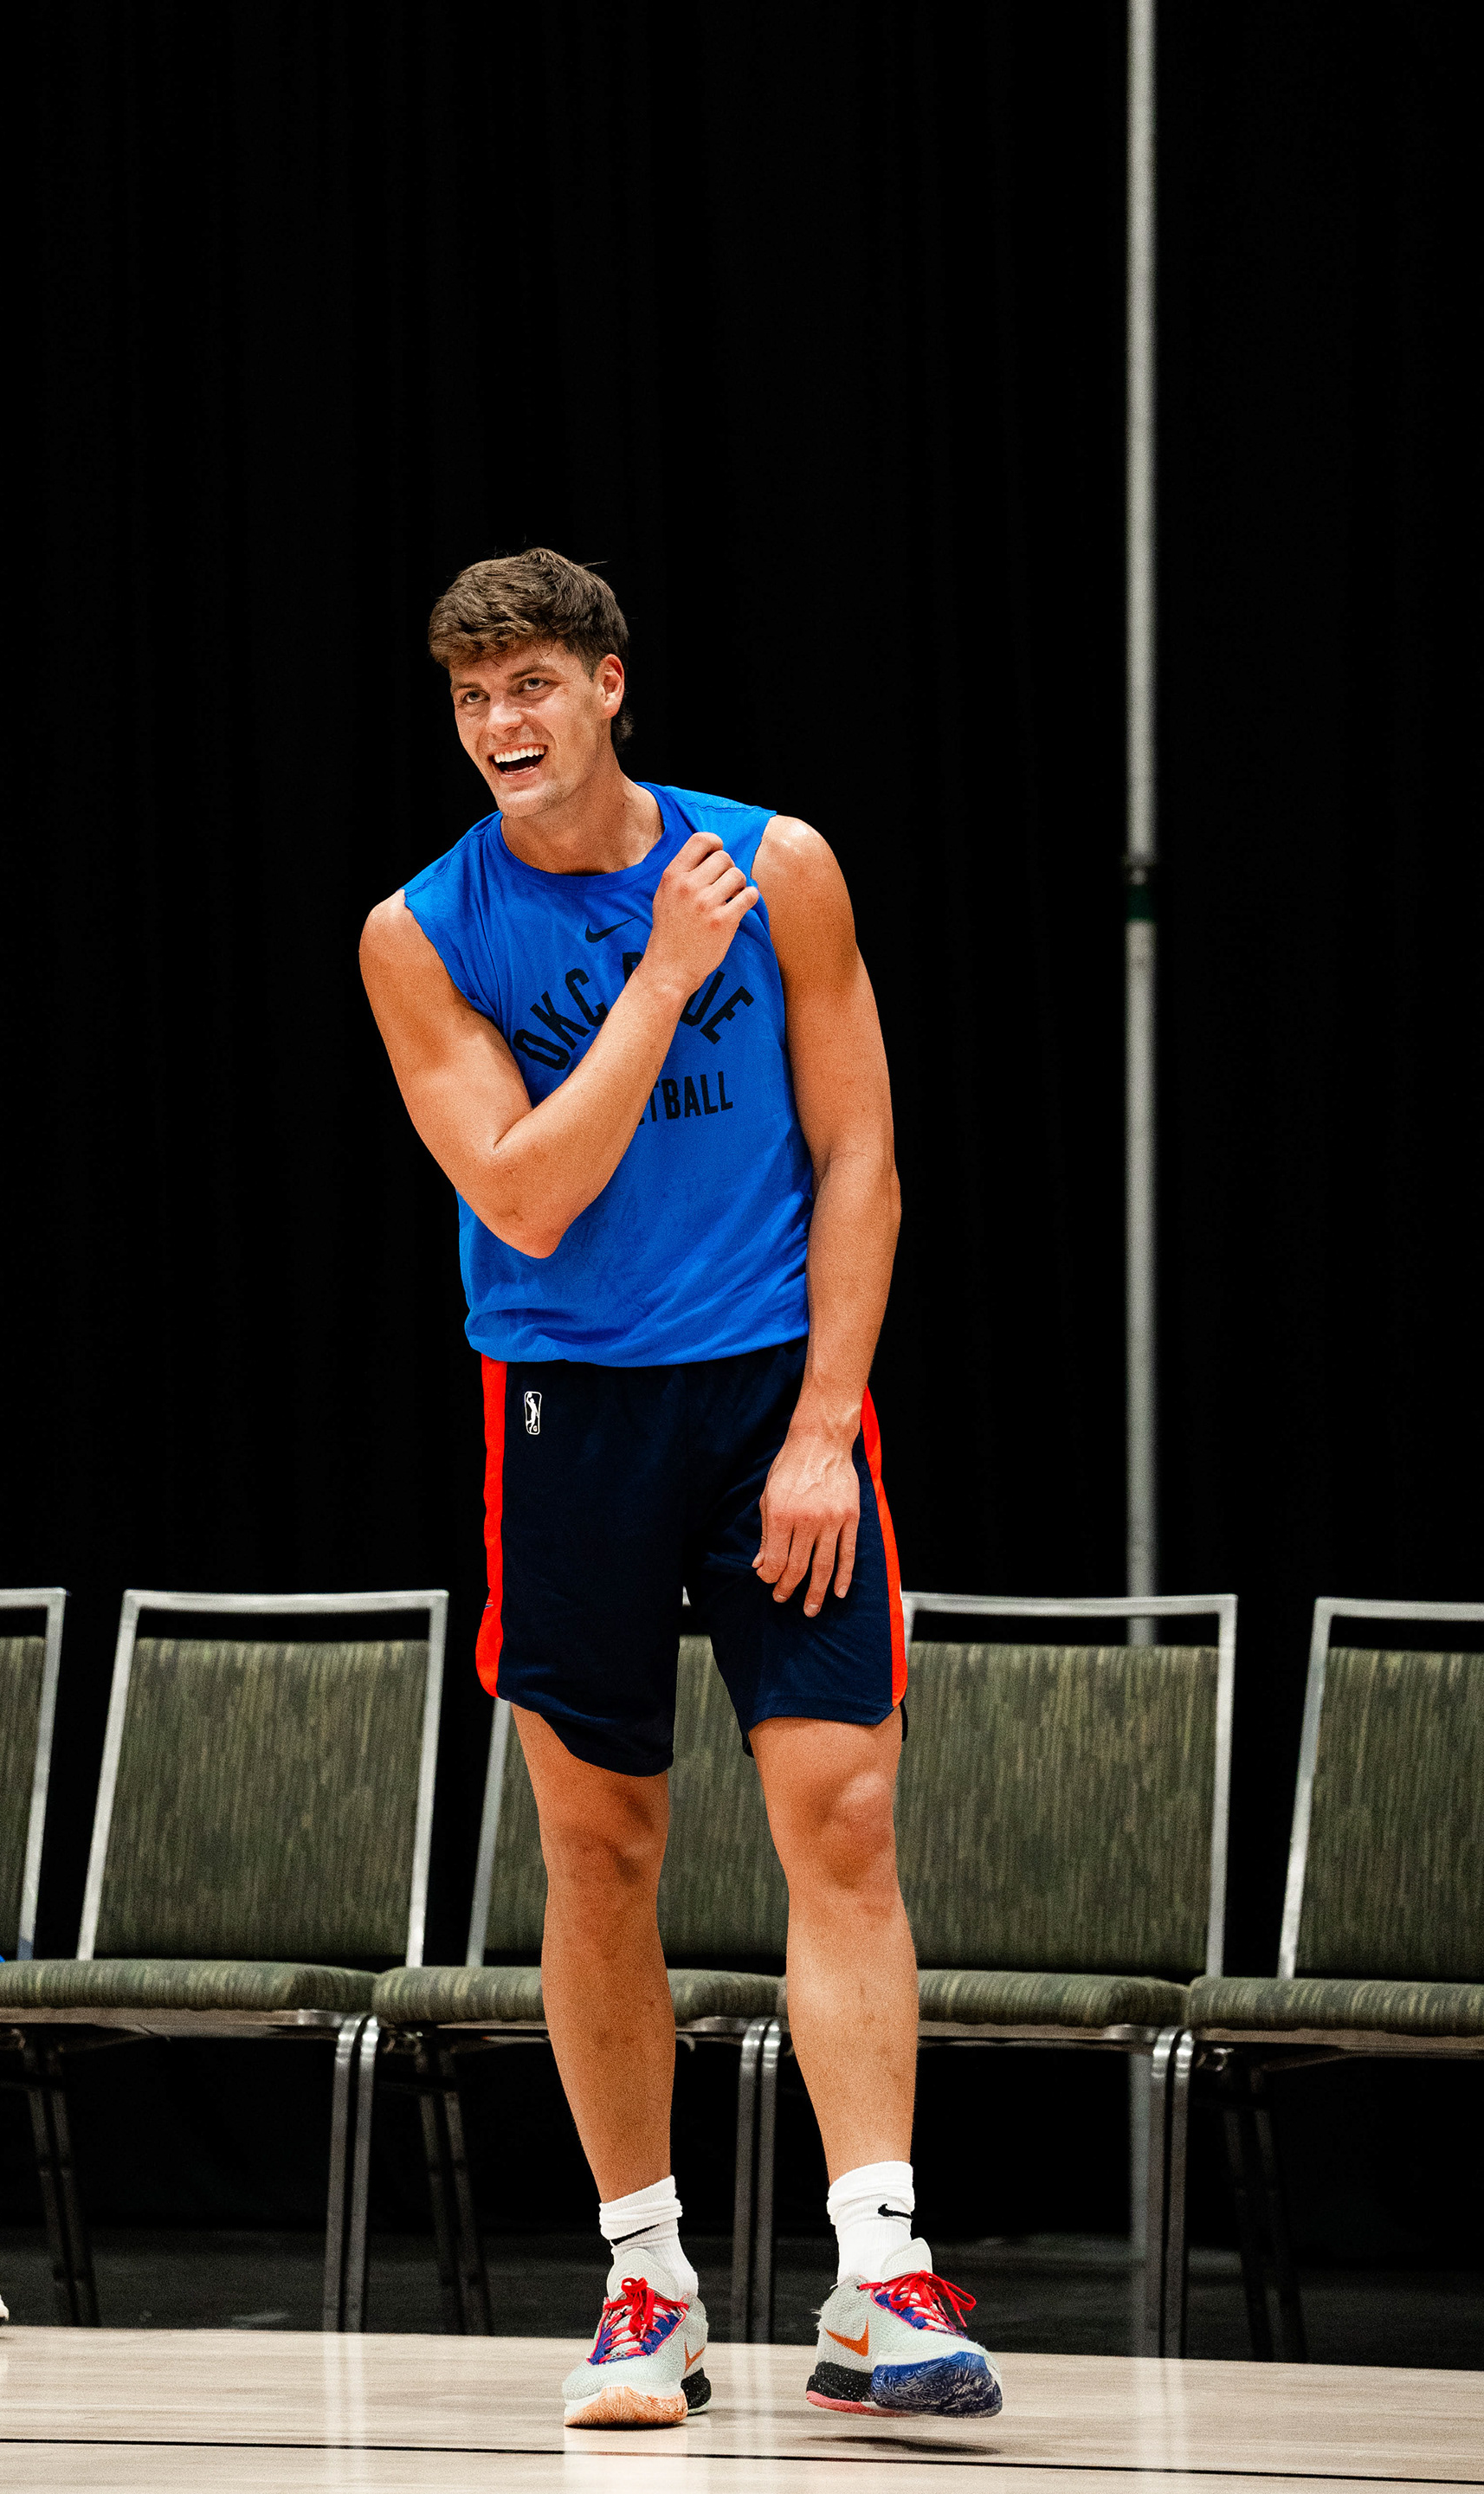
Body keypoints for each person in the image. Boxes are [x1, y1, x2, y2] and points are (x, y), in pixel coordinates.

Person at [359, 546, 1000, 2428]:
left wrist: (824, 1426)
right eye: (473, 697)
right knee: (601, 1848)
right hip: (566, 1414)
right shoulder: (421, 931)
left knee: (846, 1815)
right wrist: (659, 974)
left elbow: (862, 1151)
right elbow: (527, 1194)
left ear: (609, 685)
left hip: (768, 1402)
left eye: (532, 684)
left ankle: (879, 2278)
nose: (503, 723)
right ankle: (648, 2281)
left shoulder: (776, 863)